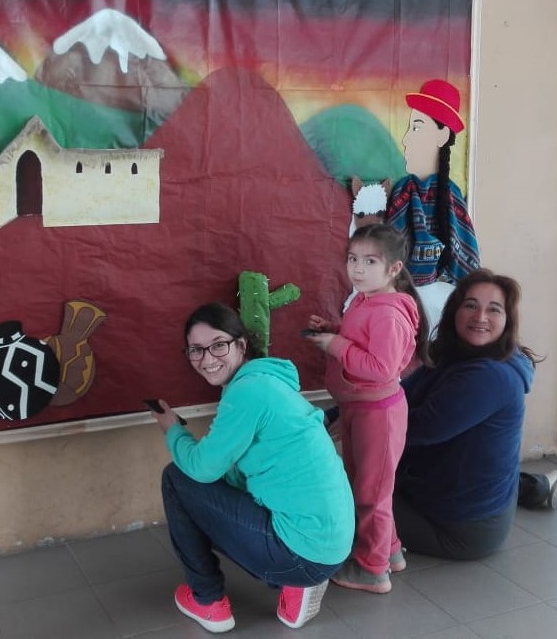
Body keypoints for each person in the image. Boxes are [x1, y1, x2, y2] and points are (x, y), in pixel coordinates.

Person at [152, 303, 354, 631]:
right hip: (331, 544)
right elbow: (233, 471)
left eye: (218, 345)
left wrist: (173, 430)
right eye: (196, 350)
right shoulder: (268, 380)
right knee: (220, 485)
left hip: (304, 552)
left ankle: (208, 602)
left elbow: (202, 469)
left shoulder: (246, 392)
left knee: (177, 479)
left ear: (241, 345)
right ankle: (296, 583)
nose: (207, 358)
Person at [306, 224, 429, 594]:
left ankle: (372, 570)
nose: (357, 269)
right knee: (367, 485)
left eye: (370, 261)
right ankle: (389, 552)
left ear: (394, 268)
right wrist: (334, 330)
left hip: (379, 414)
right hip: (359, 407)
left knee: (371, 493)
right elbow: (363, 338)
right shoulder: (365, 299)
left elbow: (381, 367)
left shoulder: (388, 313)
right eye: (352, 259)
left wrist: (335, 346)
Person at [394, 269, 551, 560]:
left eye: (494, 309)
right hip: (463, 499)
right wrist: (335, 414)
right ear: (455, 310)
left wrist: (353, 421)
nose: (480, 317)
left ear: (507, 320)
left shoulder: (490, 376)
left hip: (462, 529)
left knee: (345, 500)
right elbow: (400, 393)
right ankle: (536, 488)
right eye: (470, 305)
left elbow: (418, 429)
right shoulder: (456, 353)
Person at [385, 79, 480, 336]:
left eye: (416, 127)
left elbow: (464, 262)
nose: (405, 139)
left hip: (439, 306)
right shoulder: (403, 191)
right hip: (403, 305)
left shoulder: (451, 196)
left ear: (442, 135)